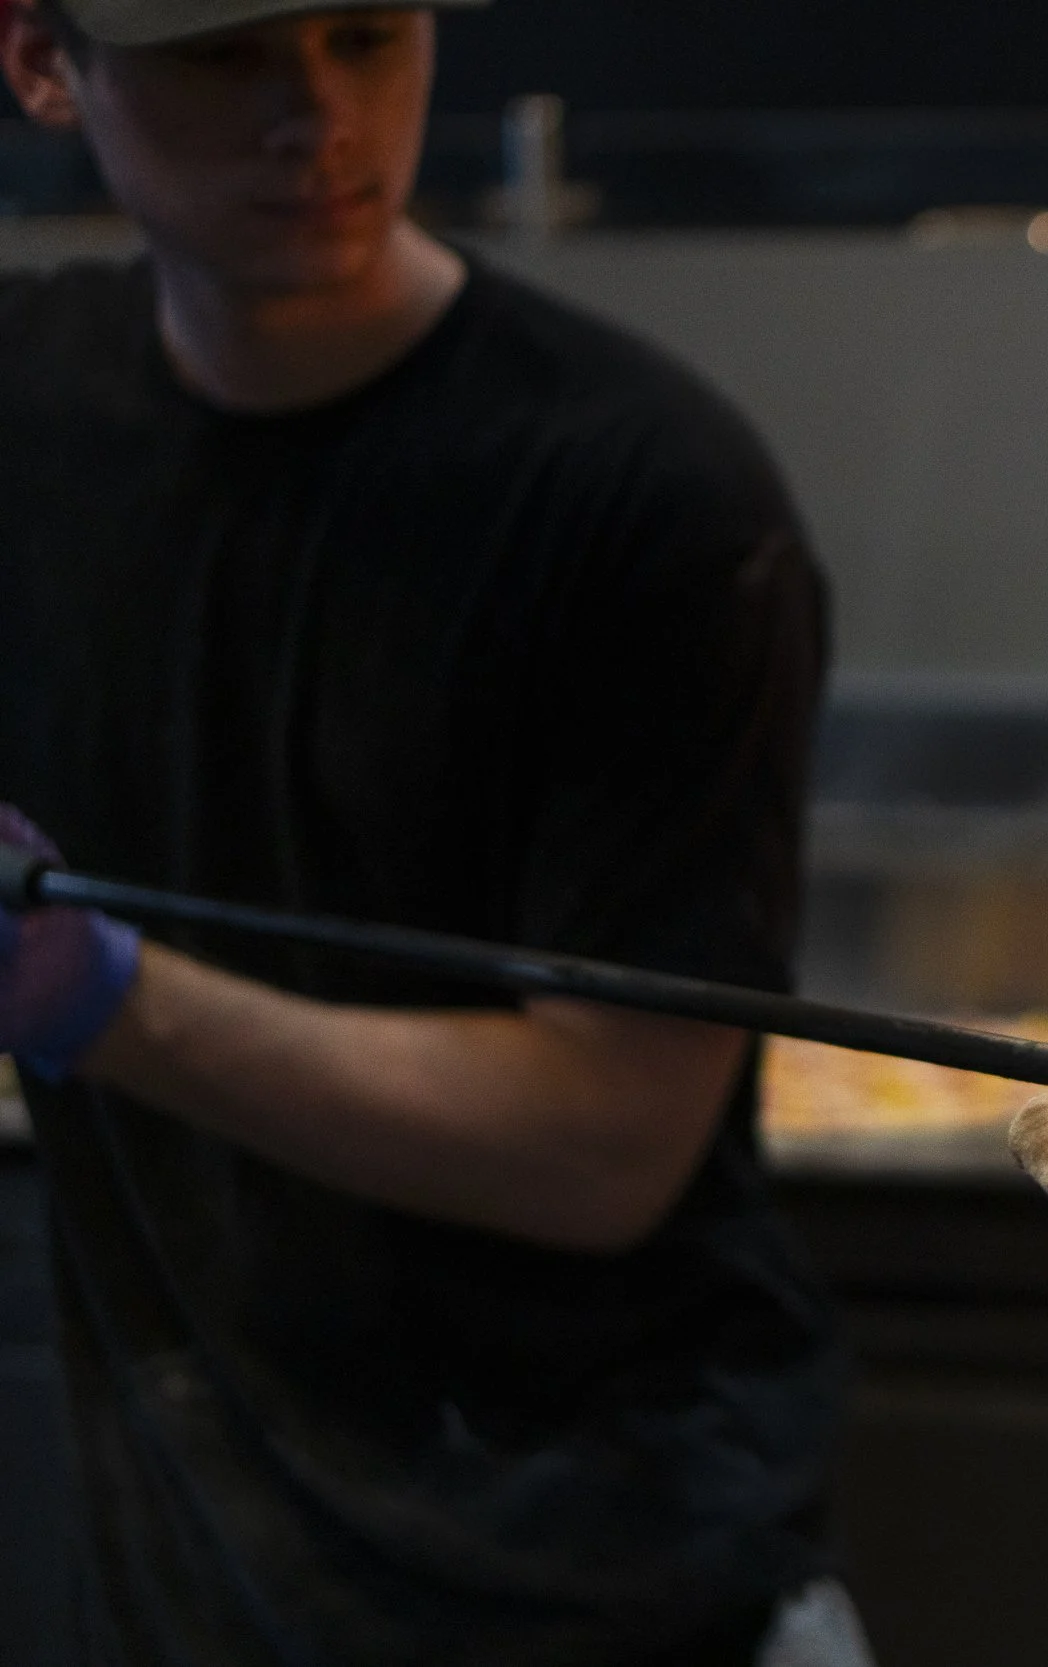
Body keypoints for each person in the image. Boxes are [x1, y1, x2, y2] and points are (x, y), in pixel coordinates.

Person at [0, 2, 868, 1662]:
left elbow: (602, 1144)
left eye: (365, 36)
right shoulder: (30, 414)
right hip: (199, 1597)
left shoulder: (641, 493)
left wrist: (98, 996)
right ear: (46, 62)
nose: (315, 116)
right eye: (224, 52)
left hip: (612, 1592)